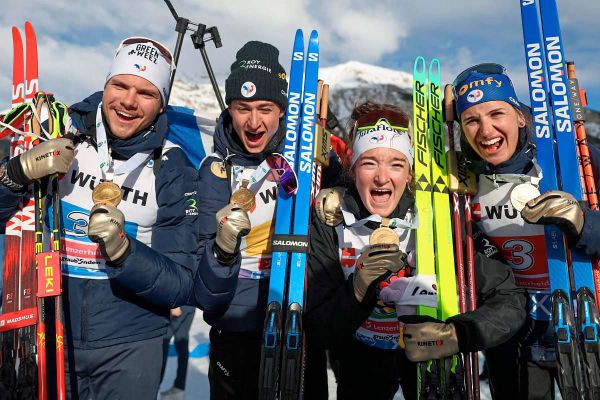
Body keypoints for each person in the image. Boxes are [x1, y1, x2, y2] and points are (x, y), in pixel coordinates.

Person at [0, 36, 221, 399]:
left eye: (146, 93)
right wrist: (15, 173)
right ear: (105, 85)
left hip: (130, 346)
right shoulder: (55, 132)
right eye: (120, 85)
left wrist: (123, 251)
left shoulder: (173, 168)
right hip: (46, 326)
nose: (129, 101)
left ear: (162, 105)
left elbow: (182, 283)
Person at [305, 101, 527, 400]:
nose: (382, 178)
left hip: (432, 363)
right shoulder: (332, 219)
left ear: (409, 172)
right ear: (353, 167)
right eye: (369, 162)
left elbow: (511, 300)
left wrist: (457, 335)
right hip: (362, 361)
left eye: (396, 164)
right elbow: (319, 331)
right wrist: (357, 289)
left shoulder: (439, 218)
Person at [195, 40, 341, 399]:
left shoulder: (307, 157)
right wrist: (222, 247)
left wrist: (337, 193)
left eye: (265, 108)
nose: (254, 121)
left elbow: (350, 195)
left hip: (297, 320)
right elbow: (202, 276)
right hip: (237, 326)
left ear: (282, 110)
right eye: (242, 108)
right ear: (229, 109)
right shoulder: (216, 169)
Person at [451, 63, 600, 399]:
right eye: (472, 120)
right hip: (516, 339)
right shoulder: (463, 184)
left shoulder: (572, 161)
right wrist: (337, 187)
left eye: (496, 113)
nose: (485, 130)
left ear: (520, 116)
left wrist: (581, 222)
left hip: (585, 325)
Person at [159, 306, 197, 400]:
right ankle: (179, 388)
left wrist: (174, 305)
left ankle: (155, 387)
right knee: (182, 344)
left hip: (180, 306)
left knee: (163, 343)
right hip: (188, 305)